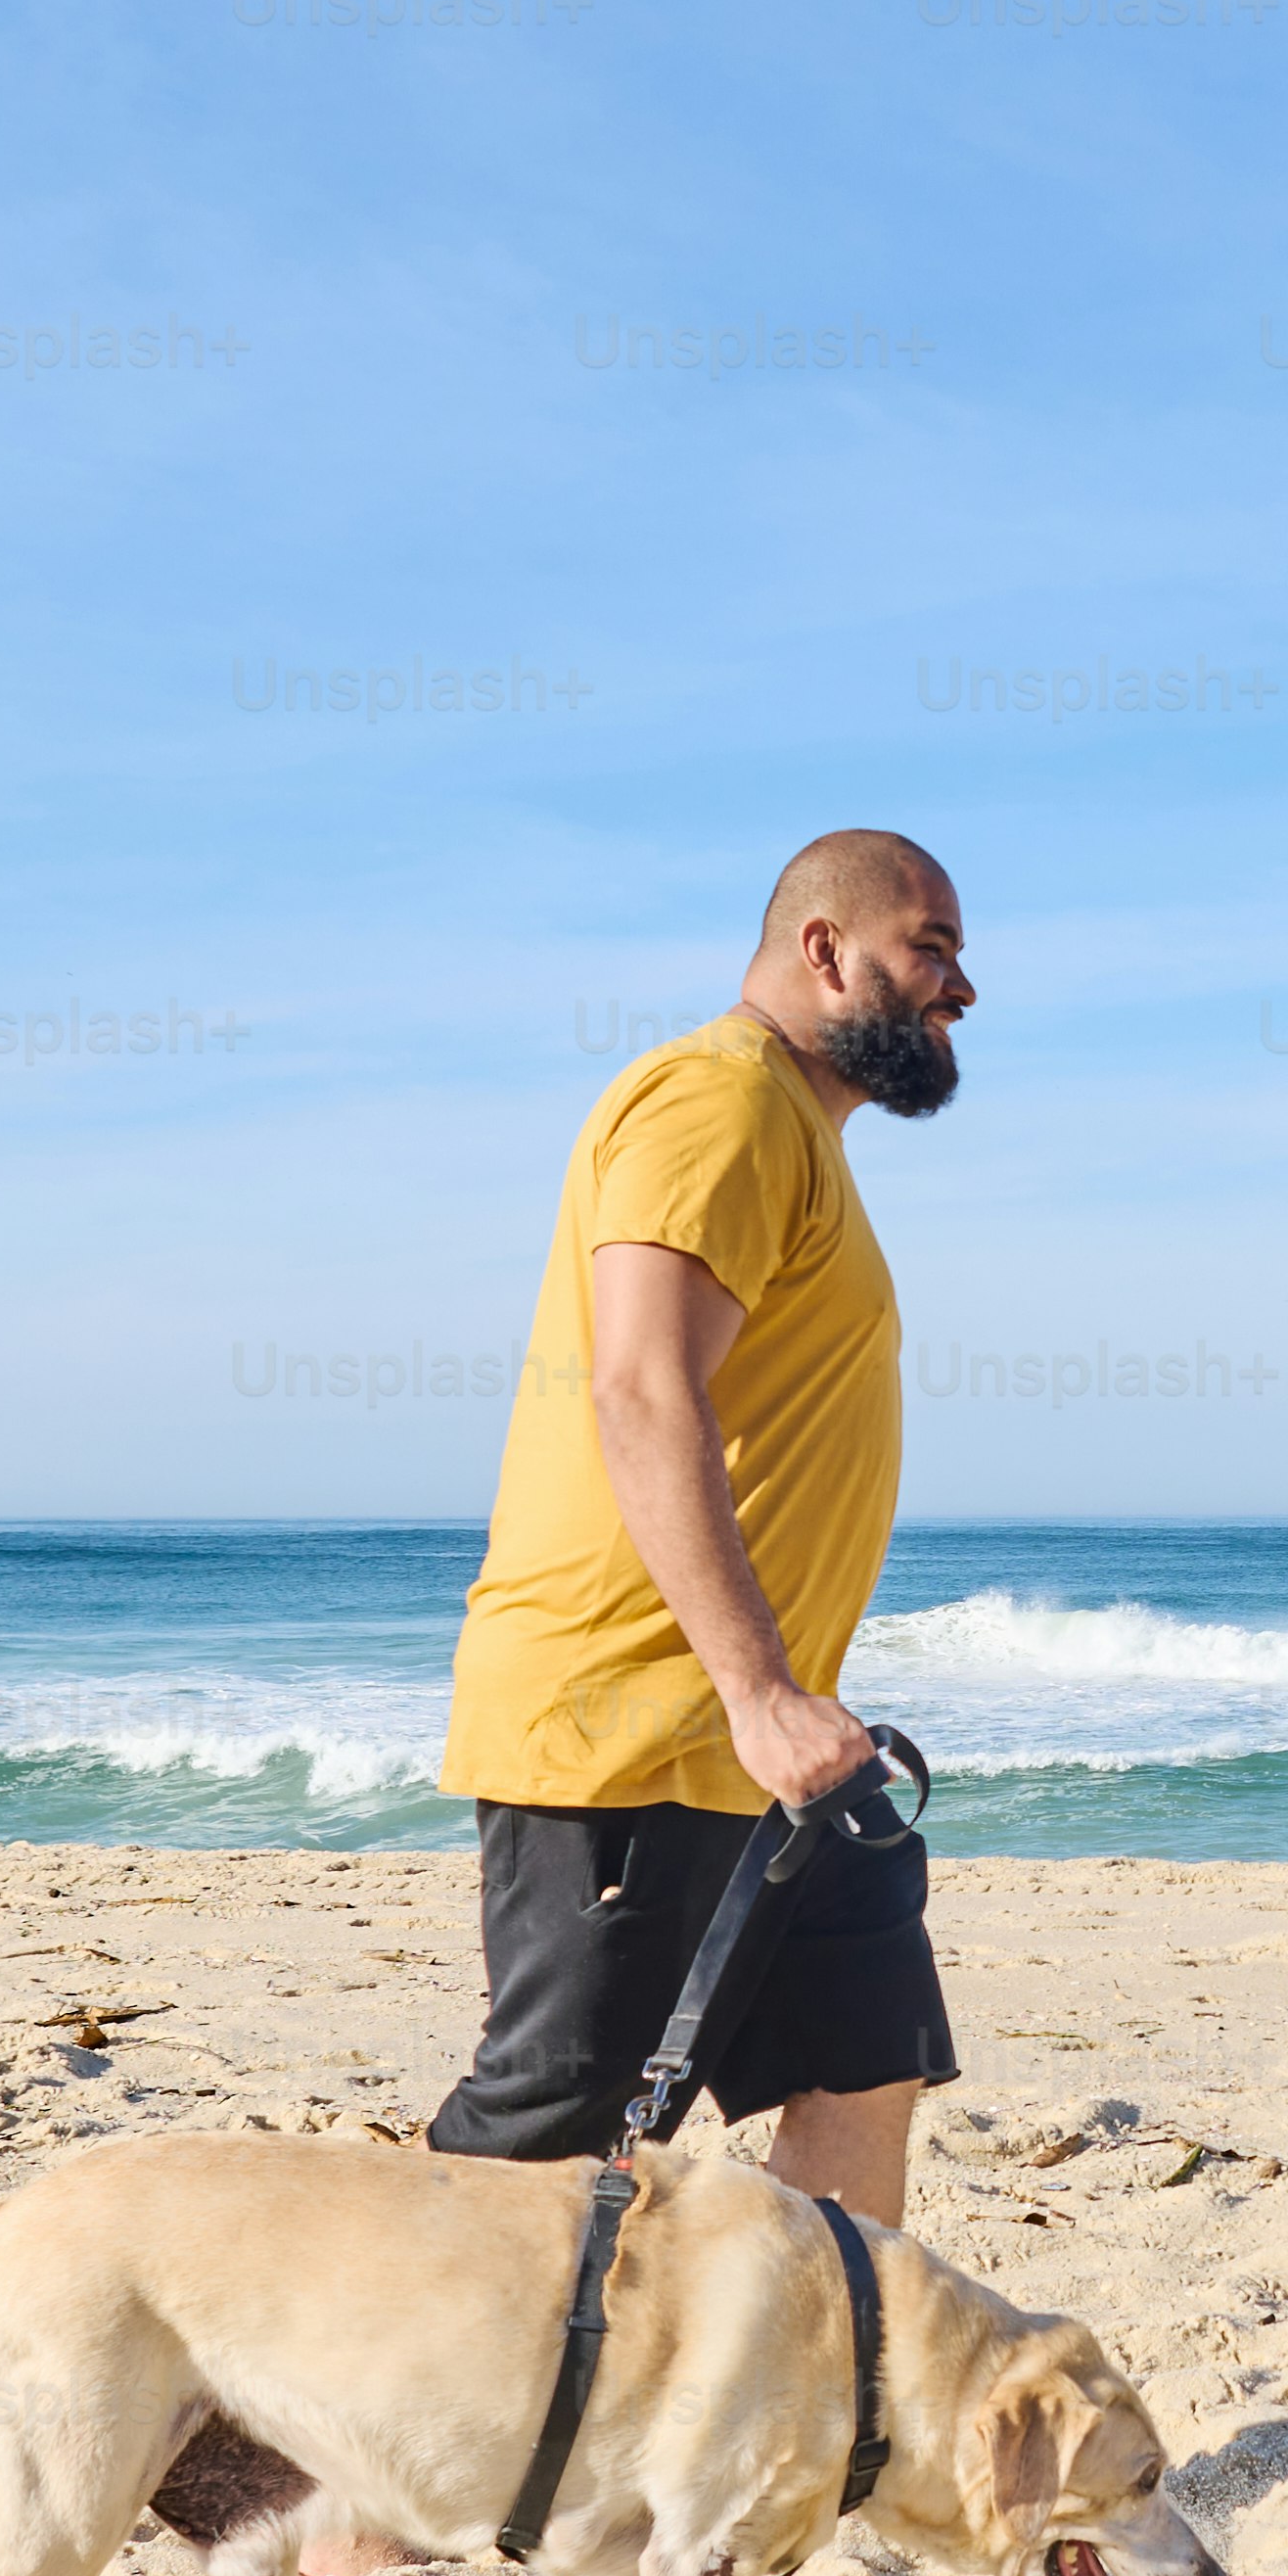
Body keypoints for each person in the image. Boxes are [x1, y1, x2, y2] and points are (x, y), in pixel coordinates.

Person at [422, 826, 975, 2218]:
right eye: (933, 950)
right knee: (541, 2147)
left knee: (869, 2049)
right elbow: (640, 1385)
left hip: (767, 1749)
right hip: (639, 1728)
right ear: (823, 949)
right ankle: (280, 2430)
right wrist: (758, 1688)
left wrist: (785, 1706)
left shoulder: (797, 1134)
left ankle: (808, 2402)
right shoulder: (716, 1100)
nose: (959, 990)